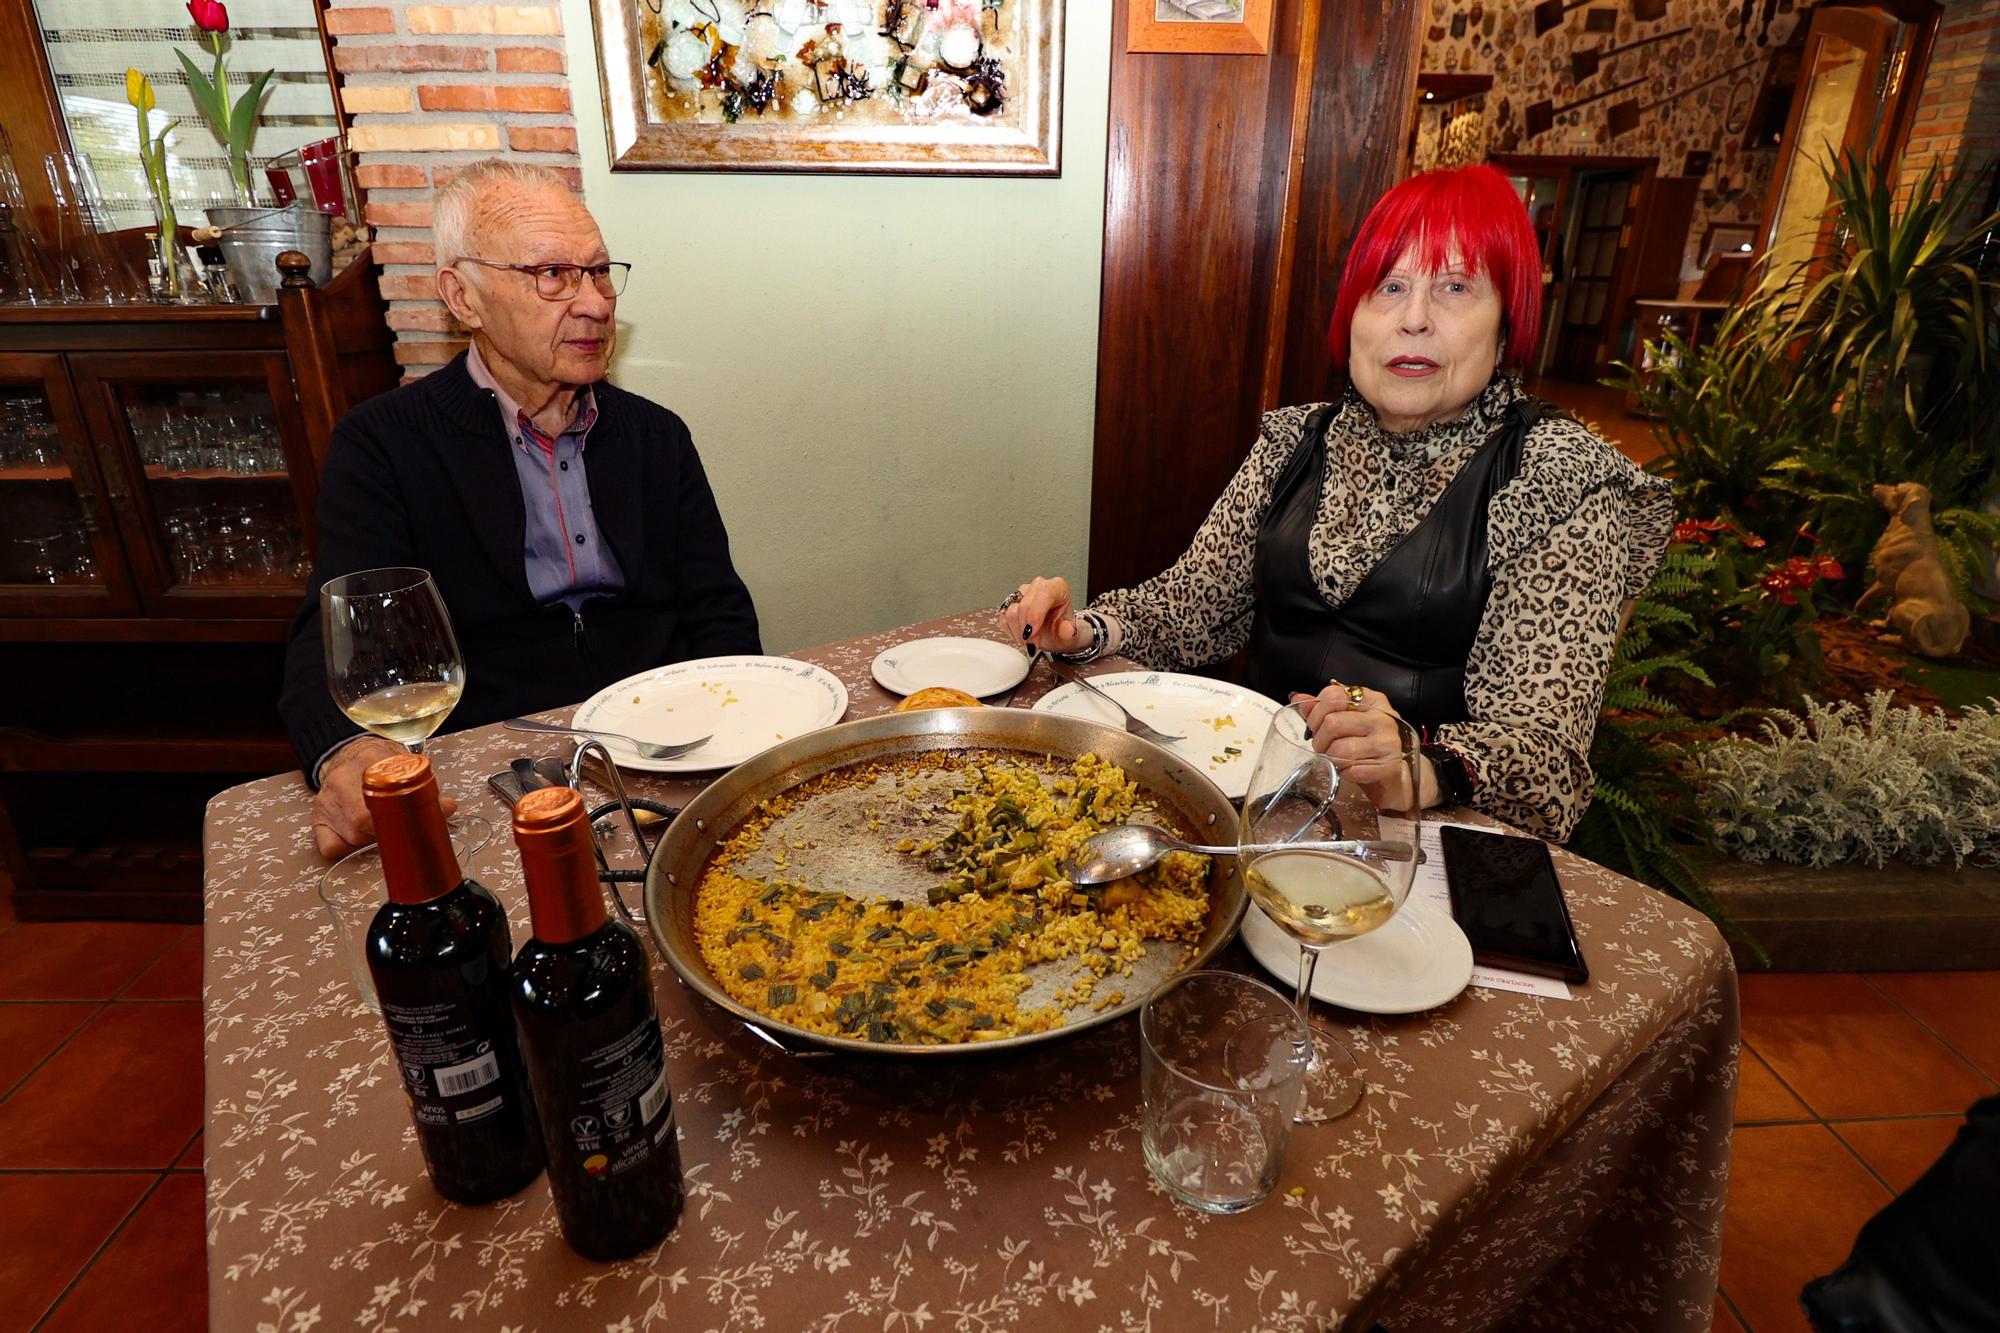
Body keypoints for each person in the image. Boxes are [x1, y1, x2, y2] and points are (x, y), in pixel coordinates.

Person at [1002, 164, 1672, 840]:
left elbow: (1546, 758)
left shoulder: (1557, 478)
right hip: (1247, 803)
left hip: (1419, 846)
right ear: (1353, 315)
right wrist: (1083, 631)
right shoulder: (1294, 441)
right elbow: (1192, 607)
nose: (1414, 319)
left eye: (1455, 287)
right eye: (1390, 287)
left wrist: (1422, 764)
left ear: (1506, 325)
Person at [281, 159, 760, 859]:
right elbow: (336, 642)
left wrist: (732, 736)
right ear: (463, 297)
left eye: (599, 272)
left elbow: (719, 613)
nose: (595, 302)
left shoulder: (657, 435)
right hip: (487, 765)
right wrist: (351, 754)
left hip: (660, 748)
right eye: (553, 276)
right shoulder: (384, 444)